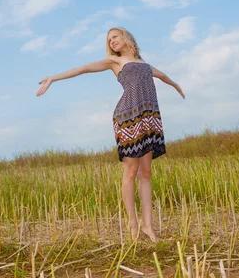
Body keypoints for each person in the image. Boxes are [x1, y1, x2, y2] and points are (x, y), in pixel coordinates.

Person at [36, 27, 185, 242]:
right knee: (131, 171)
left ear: (126, 37)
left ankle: (148, 226)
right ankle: (133, 225)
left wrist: (176, 85)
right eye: (109, 40)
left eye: (115, 37)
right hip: (128, 117)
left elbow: (162, 76)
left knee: (146, 173)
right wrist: (53, 78)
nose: (112, 41)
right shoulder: (114, 62)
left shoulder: (144, 64)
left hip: (148, 117)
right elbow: (84, 69)